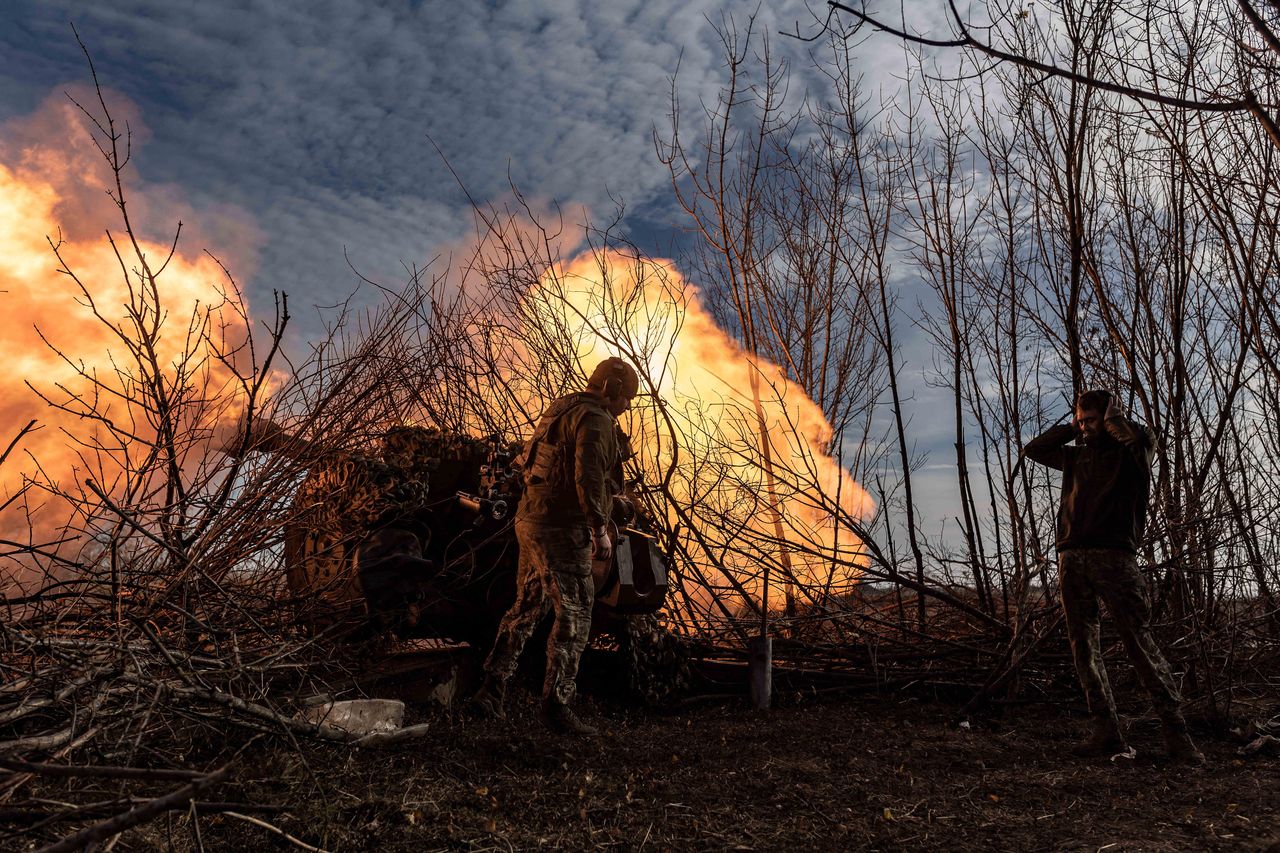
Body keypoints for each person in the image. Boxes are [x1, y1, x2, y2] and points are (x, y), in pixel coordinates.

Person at [1023, 390, 1204, 763]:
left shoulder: (1132, 452)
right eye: (1082, 421)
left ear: (1109, 417)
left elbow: (1138, 439)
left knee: (1139, 643)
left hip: (1116, 558)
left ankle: (1177, 734)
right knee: (1083, 646)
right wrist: (1071, 427)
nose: (1087, 427)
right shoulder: (1075, 455)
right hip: (1072, 557)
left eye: (1092, 420)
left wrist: (1111, 420)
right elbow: (1034, 449)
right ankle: (1107, 731)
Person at [470, 357, 639, 735]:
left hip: (530, 521)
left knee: (526, 606)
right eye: (625, 398)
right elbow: (588, 476)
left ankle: (490, 689)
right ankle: (557, 706)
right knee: (576, 614)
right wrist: (599, 529)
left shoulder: (563, 407)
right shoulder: (594, 419)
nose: (625, 406)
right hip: (562, 529)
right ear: (611, 391)